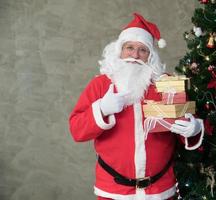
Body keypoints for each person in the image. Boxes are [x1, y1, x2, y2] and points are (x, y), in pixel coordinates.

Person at [69, 13, 204, 200]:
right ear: (119, 51)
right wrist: (102, 109)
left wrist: (194, 128)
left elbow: (182, 123)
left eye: (143, 50)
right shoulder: (100, 85)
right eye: (129, 48)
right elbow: (77, 130)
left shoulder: (166, 84)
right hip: (113, 192)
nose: (135, 55)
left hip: (160, 190)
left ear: (150, 56)